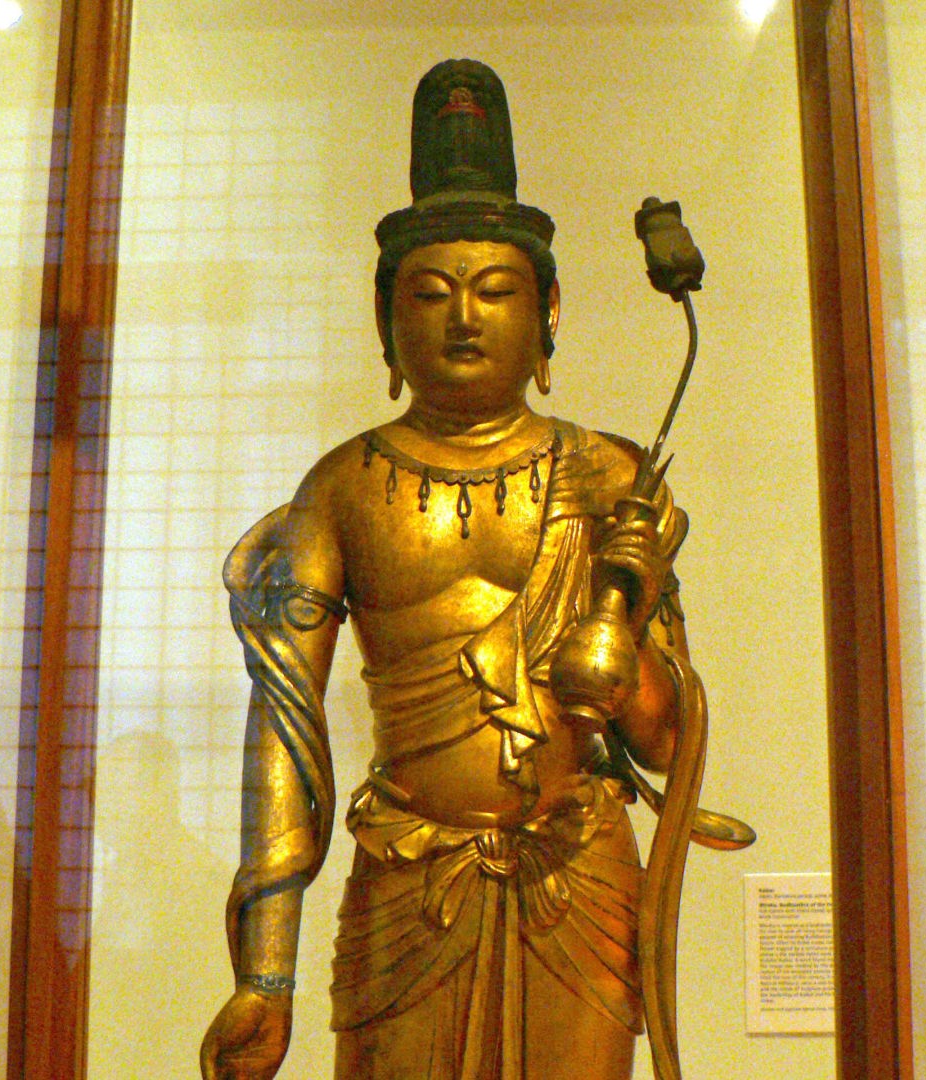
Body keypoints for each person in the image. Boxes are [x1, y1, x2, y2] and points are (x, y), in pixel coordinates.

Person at [200, 59, 744, 1080]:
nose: (463, 318)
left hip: (578, 872)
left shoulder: (609, 478)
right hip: (408, 878)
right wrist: (263, 974)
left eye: (495, 291)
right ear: (384, 322)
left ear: (549, 315)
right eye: (430, 293)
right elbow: (284, 729)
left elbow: (672, 744)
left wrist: (620, 660)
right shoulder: (341, 490)